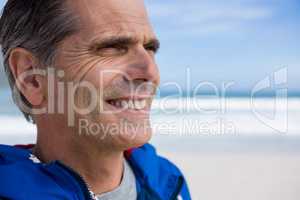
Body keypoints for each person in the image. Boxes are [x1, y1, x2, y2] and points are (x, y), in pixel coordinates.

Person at [0, 0, 191, 200]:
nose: (150, 72)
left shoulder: (168, 183)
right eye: (112, 47)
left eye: (149, 48)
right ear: (32, 78)